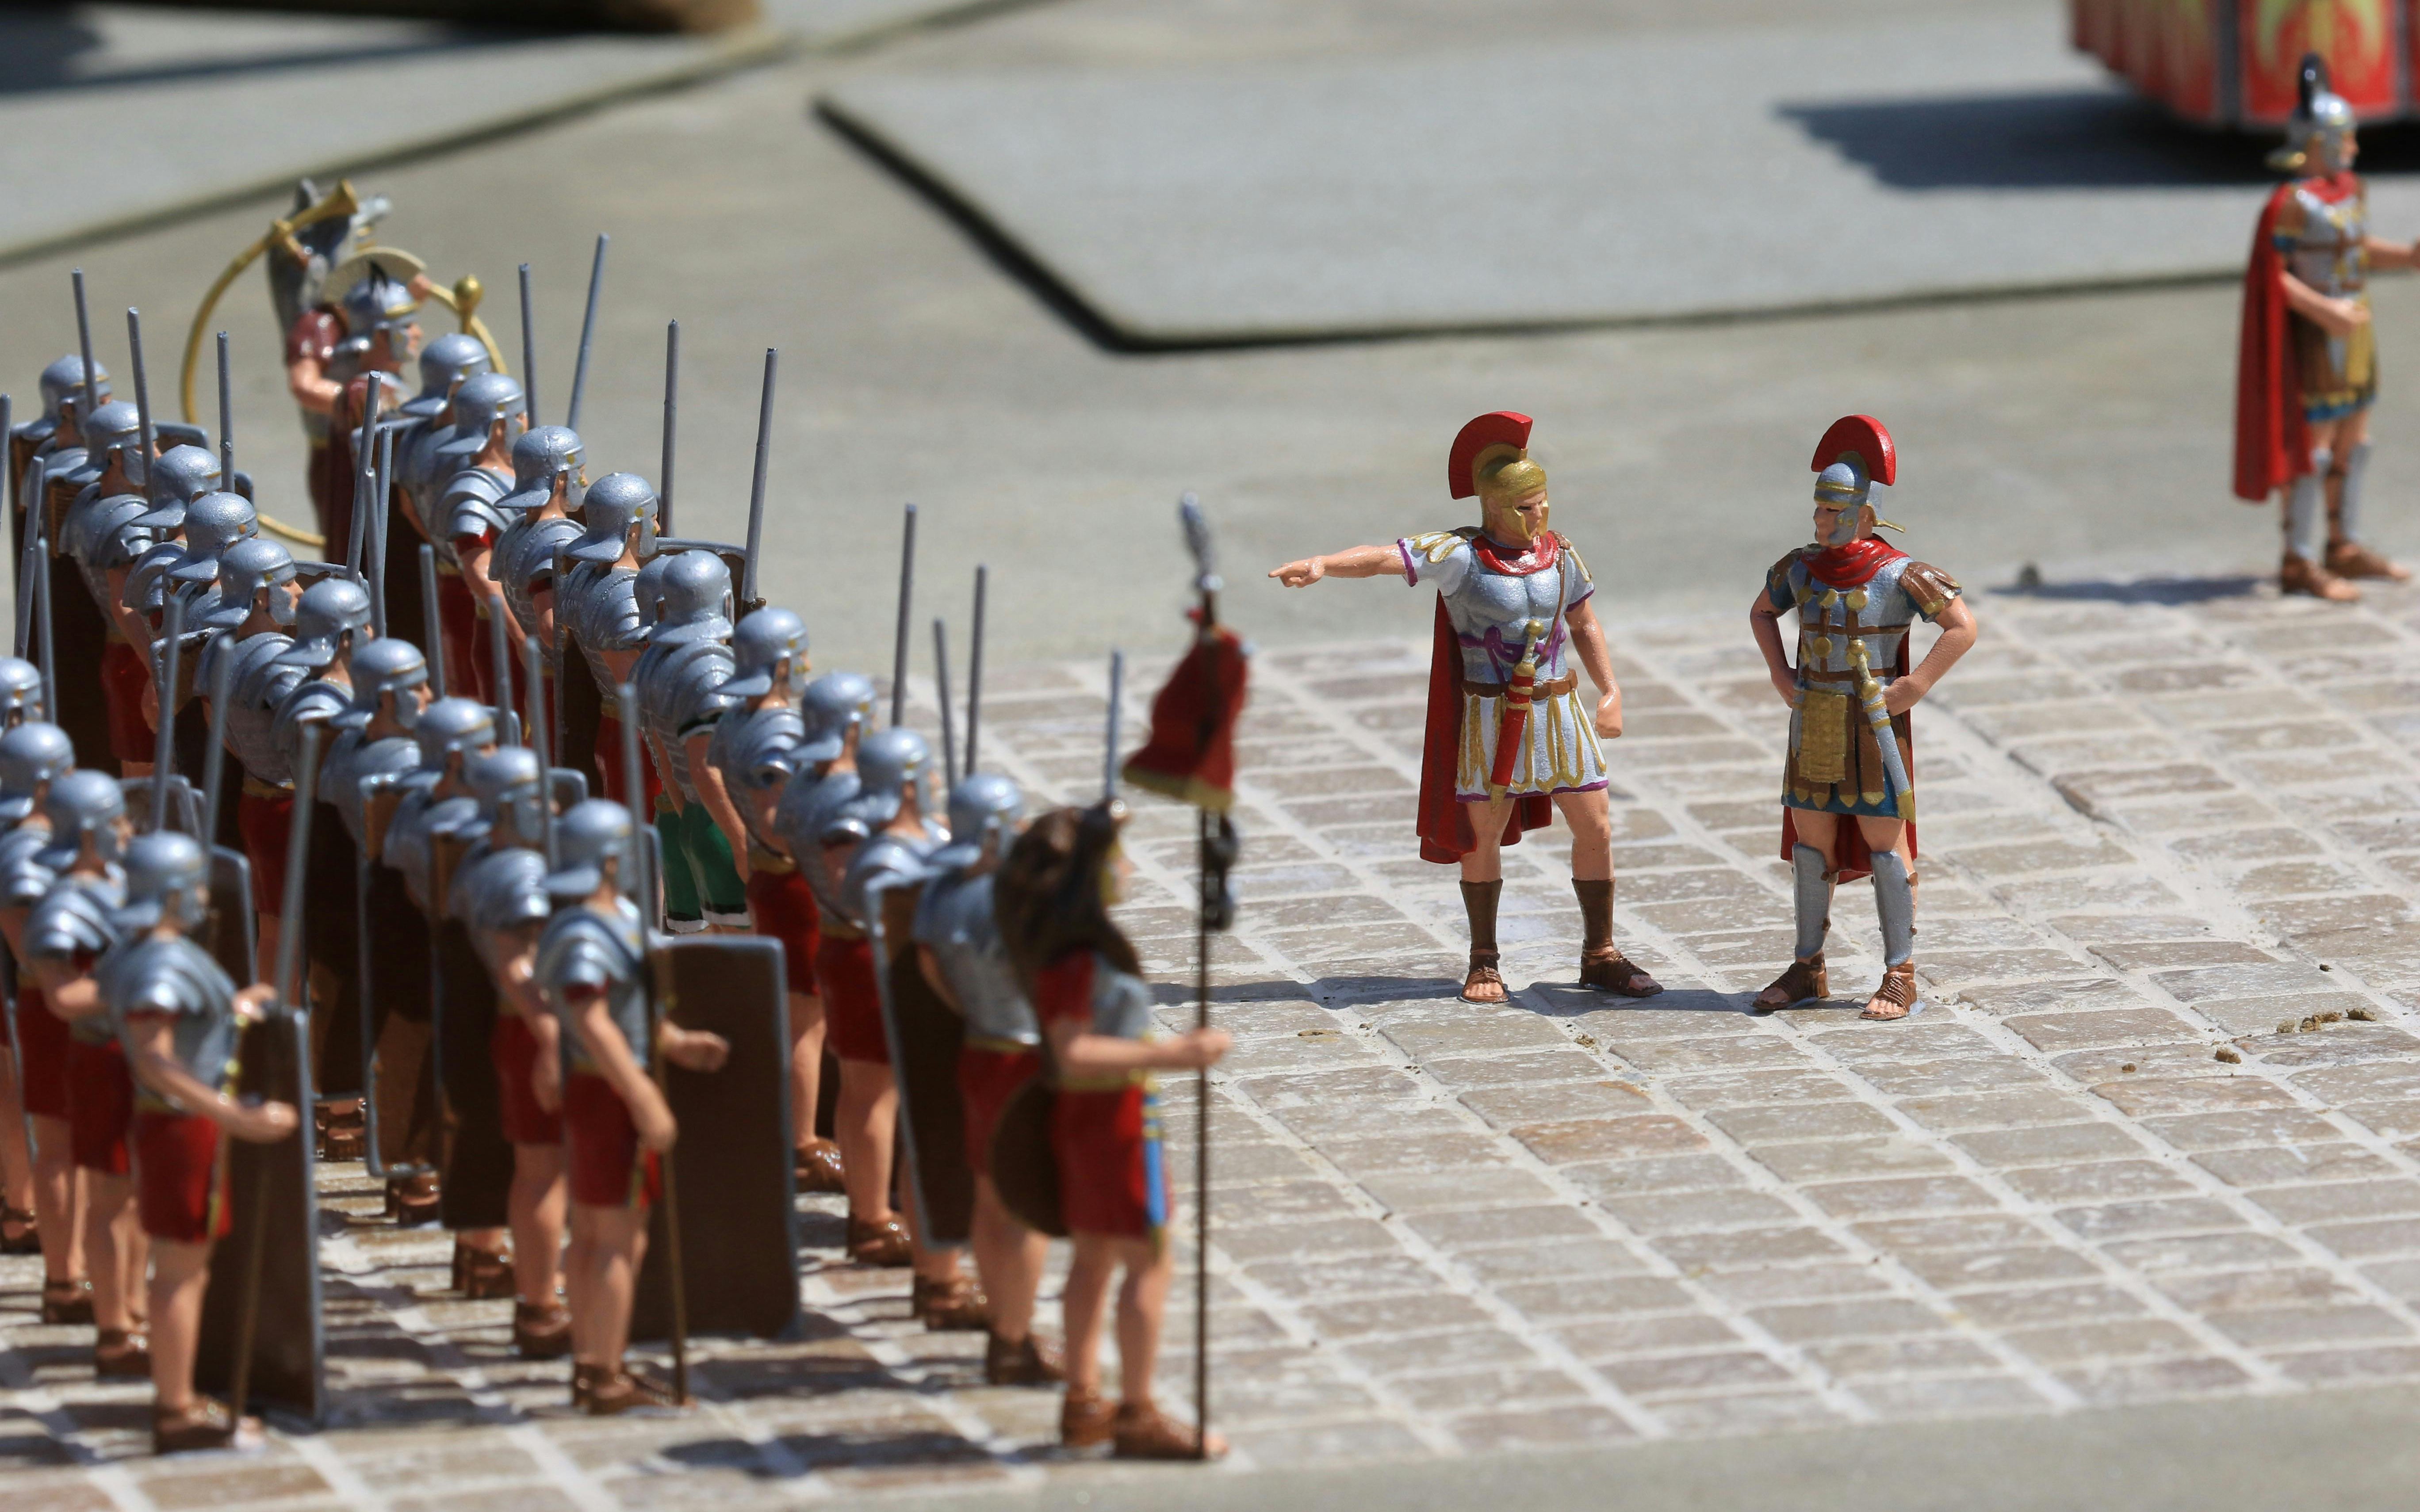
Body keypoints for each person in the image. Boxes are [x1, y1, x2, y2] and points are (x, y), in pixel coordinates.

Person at [1268, 411, 1660, 1005]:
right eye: (1525, 507)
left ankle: (1600, 953)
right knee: (1483, 834)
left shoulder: (1561, 555)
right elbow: (1383, 556)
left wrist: (1610, 689)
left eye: (1542, 503)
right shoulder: (1460, 555)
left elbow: (1583, 620)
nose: (1539, 516)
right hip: (1491, 715)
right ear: (1494, 507)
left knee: (1597, 826)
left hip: (1558, 709)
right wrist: (1324, 564)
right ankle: (1484, 960)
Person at [995, 802, 1229, 1459]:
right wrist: (1174, 1056)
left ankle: (1084, 1398)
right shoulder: (1077, 960)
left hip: (1098, 1120)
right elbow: (1073, 1052)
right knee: (1147, 1262)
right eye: (1115, 858)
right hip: (1114, 1122)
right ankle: (1136, 1409)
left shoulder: (1071, 948)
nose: (1126, 868)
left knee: (1094, 1260)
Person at [1747, 416, 1977, 1021]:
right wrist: (1780, 674)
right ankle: (1807, 967)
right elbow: (1762, 613)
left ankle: (1900, 972)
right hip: (1815, 717)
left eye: (1836, 511)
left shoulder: (1901, 574)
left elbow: (1962, 627)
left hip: (1873, 725)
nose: (1823, 522)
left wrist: (1917, 683)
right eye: (1819, 510)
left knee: (1884, 849)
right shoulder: (1800, 567)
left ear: (1867, 513)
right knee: (1809, 846)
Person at [107, 831, 300, 1453]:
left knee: (187, 1269)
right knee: (181, 1273)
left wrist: (235, 1009)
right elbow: (157, 1060)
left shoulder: (145, 950)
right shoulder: (159, 962)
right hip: (181, 1128)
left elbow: (185, 1030)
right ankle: (176, 1407)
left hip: (178, 1124)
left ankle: (181, 1396)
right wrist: (231, 1115)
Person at [533, 799, 728, 1414]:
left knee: (604, 1233)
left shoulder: (607, 919)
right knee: (613, 1239)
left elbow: (631, 1008)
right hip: (606, 1092)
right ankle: (602, 1371)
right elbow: (594, 1022)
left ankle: (599, 1362)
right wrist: (642, 1094)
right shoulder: (584, 933)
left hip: (605, 1086)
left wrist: (674, 1043)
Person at [2234, 53, 2420, 601]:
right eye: (2347, 139)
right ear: (2322, 141)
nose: (2355, 148)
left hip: (2355, 329)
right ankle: (2298, 559)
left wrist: (2409, 256)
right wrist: (2324, 312)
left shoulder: (2349, 192)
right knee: (2312, 452)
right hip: (2317, 338)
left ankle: (2344, 544)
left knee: (2354, 442)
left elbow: (2358, 251)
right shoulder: (2290, 204)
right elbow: (2274, 279)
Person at [915, 771, 1061, 1384]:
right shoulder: (1017, 899)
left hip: (977, 1047)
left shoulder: (940, 892)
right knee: (1023, 1207)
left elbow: (928, 965)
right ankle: (1014, 1335)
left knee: (989, 1199)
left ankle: (1007, 1326)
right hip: (1022, 1059)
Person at [709, 615, 846, 1194]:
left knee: (803, 1014)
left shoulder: (738, 719)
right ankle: (802, 1144)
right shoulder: (777, 732)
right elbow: (775, 815)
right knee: (805, 1023)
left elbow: (709, 770)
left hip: (774, 875)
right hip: (793, 880)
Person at [452, 745, 571, 1355]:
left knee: (539, 1171)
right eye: (535, 799)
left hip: (521, 1026)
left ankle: (541, 1293)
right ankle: (542, 1302)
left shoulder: (486, 861)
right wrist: (552, 1037)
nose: (549, 808)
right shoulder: (517, 874)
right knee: (542, 1174)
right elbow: (518, 965)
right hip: (533, 1027)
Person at [25, 771, 142, 1378]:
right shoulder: (62, 902)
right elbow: (62, 996)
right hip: (96, 1052)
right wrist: (141, 989)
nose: (129, 829)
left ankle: (134, 1309)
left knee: (135, 1192)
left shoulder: (120, 881)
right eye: (119, 820)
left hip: (135, 1053)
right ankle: (112, 1323)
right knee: (106, 1192)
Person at [0, 721, 82, 1320]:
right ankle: (58, 1267)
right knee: (59, 1140)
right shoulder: (29, 844)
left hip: (39, 989)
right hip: (44, 991)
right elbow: (27, 936)